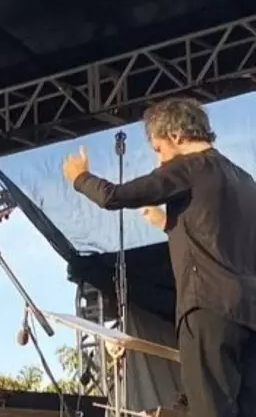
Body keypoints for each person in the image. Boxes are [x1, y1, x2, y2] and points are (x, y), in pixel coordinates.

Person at [62, 97, 256, 417]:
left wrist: (80, 177)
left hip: (207, 308)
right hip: (248, 313)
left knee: (210, 408)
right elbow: (218, 237)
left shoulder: (187, 168)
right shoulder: (244, 179)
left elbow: (116, 196)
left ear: (176, 136)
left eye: (158, 148)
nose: (159, 160)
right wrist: (168, 224)